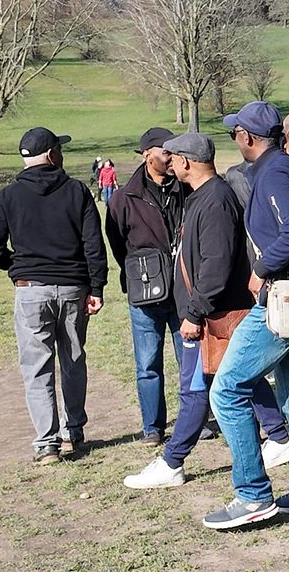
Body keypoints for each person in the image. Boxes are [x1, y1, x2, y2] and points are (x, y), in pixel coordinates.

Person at [123, 133, 289, 489]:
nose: (168, 164)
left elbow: (215, 265)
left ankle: (172, 463)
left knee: (194, 388)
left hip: (214, 314)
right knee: (234, 377)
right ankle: (279, 436)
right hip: (214, 311)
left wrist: (194, 312)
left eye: (173, 159)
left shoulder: (215, 200)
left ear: (187, 161)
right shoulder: (203, 196)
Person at [204, 101, 289, 530]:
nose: (234, 139)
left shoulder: (274, 171)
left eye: (234, 132)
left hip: (279, 301)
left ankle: (253, 495)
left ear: (248, 137)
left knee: (227, 390)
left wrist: (261, 269)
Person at [0, 127, 107, 463]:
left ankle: (47, 442)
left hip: (31, 291)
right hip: (72, 290)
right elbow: (93, 244)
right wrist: (97, 287)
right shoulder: (77, 190)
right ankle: (73, 430)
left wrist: (17, 266)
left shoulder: (10, 195)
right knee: (73, 360)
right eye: (59, 149)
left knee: (37, 366)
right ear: (52, 155)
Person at [105, 127, 186, 447]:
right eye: (166, 152)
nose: (171, 159)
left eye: (173, 153)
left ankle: (196, 418)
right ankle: (152, 427)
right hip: (145, 292)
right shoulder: (124, 198)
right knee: (148, 363)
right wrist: (141, 272)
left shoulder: (186, 188)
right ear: (146, 154)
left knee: (189, 360)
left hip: (183, 290)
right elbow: (117, 244)